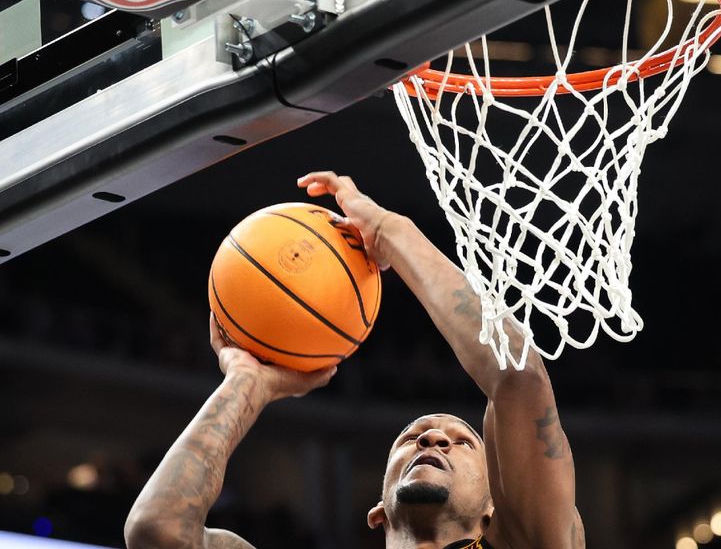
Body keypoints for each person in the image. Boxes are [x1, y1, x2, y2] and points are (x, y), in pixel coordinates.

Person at [124, 172, 584, 549]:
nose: (434, 438)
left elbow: (517, 375)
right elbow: (158, 531)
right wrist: (246, 380)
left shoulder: (530, 540)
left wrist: (389, 232)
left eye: (463, 443)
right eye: (411, 438)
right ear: (378, 511)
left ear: (493, 506)